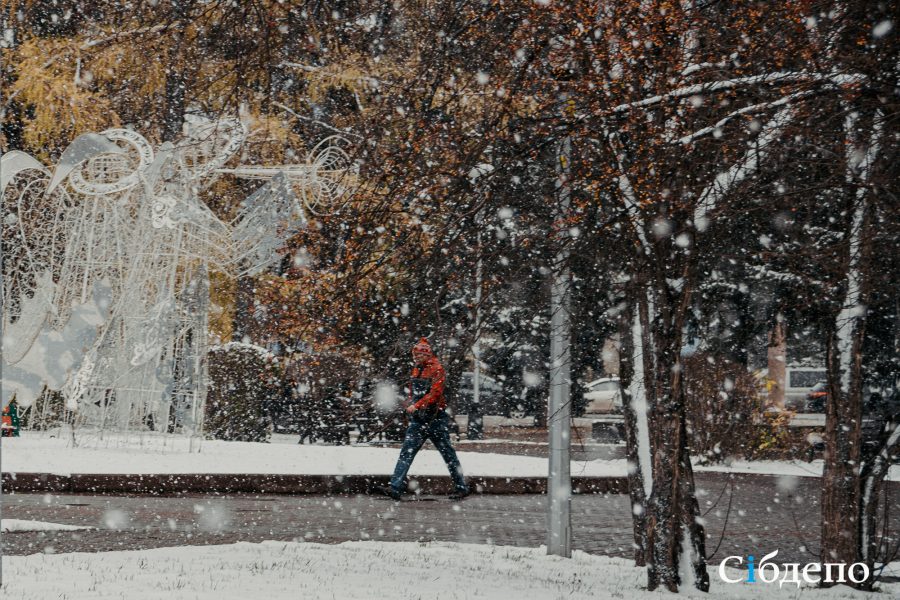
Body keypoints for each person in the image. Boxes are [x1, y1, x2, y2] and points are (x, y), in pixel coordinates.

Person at [376, 338, 469, 500]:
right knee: (407, 453)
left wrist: (416, 405)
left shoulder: (437, 369)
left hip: (435, 419)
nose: (416, 357)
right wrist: (409, 403)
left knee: (448, 454)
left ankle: (461, 487)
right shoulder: (416, 369)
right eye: (415, 354)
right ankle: (395, 487)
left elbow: (435, 394)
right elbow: (415, 393)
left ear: (427, 354)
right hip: (418, 419)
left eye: (419, 354)